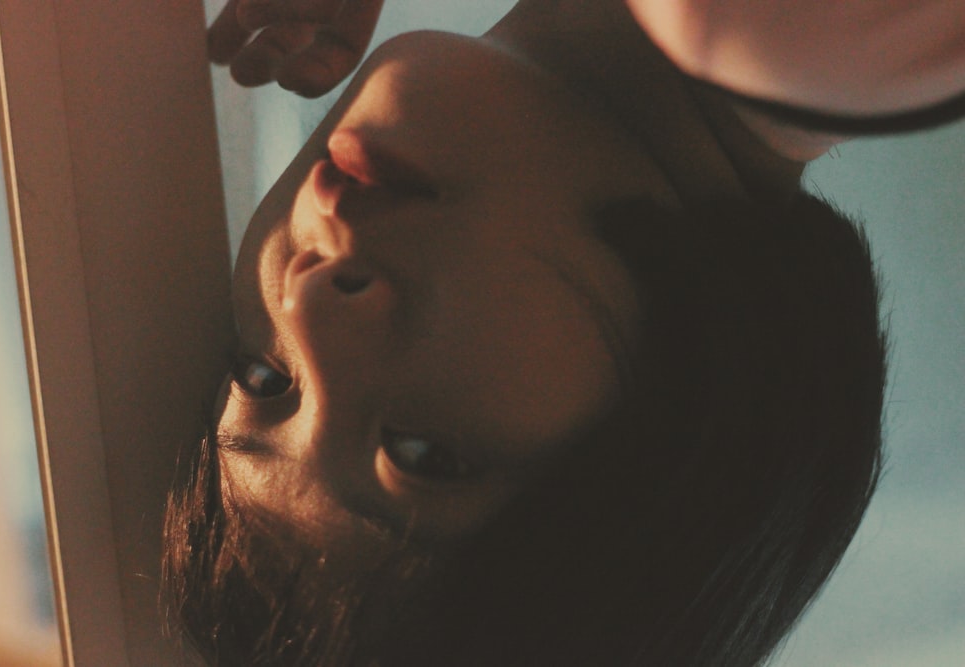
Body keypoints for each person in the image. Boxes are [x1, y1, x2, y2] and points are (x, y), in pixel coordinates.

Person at [162, 1, 963, 664]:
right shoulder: (769, 24)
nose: (307, 306)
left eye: (266, 381)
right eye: (422, 455)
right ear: (683, 457)